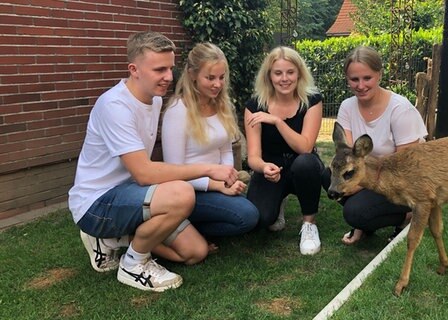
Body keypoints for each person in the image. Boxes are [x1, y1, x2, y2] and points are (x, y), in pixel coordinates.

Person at [68, 32, 239, 292]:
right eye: (159, 69)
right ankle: (134, 264)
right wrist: (210, 170)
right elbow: (145, 173)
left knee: (196, 252)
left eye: (170, 68)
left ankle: (114, 240)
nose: (169, 77)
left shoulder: (155, 99)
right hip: (97, 203)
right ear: (134, 70)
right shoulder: (114, 106)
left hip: (132, 195)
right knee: (181, 193)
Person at [322, 46, 427, 245]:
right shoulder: (347, 106)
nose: (360, 85)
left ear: (379, 74)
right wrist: (354, 183)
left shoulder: (400, 109)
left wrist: (356, 185)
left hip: (401, 180)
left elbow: (404, 165)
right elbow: (349, 156)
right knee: (328, 176)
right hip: (370, 176)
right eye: (354, 79)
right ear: (347, 79)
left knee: (355, 212)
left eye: (367, 78)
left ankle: (408, 215)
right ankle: (366, 220)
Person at [161, 42, 259, 246]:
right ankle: (181, 228)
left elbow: (224, 149)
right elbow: (173, 172)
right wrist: (217, 185)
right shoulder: (178, 111)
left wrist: (229, 179)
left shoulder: (221, 105)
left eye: (222, 77)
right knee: (247, 216)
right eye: (210, 78)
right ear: (192, 75)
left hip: (218, 185)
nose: (218, 84)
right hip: (188, 191)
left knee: (258, 211)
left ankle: (188, 229)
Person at [244, 46, 325, 255]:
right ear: (269, 76)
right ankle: (277, 202)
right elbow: (252, 156)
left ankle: (309, 224)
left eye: (290, 72)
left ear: (299, 74)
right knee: (260, 220)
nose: (284, 79)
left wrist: (278, 121)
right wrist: (263, 167)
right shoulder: (255, 105)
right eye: (278, 73)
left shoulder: (312, 100)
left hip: (303, 165)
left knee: (305, 162)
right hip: (272, 168)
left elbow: (305, 146)